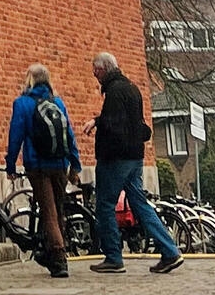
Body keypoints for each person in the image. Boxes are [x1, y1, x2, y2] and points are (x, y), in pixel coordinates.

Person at [85, 51, 182, 274]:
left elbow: (115, 126)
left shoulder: (114, 92)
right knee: (140, 204)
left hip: (115, 159)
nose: (95, 76)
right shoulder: (131, 88)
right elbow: (130, 122)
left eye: (95, 72)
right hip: (135, 157)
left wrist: (102, 134)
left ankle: (113, 257)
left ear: (102, 69)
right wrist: (98, 120)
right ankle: (170, 251)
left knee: (105, 205)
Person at [7, 62, 83, 278]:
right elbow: (69, 133)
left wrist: (10, 165)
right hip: (59, 165)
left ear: (29, 80)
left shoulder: (22, 104)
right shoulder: (57, 102)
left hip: (37, 166)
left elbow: (16, 136)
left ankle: (59, 258)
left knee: (48, 211)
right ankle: (50, 251)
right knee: (56, 208)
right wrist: (75, 164)